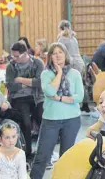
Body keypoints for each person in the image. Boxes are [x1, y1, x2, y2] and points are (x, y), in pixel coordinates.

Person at [30, 42, 84, 179]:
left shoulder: (75, 73)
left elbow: (79, 97)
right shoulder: (46, 74)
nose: (58, 55)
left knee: (66, 156)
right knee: (42, 155)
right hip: (51, 120)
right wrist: (59, 72)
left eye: (61, 52)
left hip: (72, 119)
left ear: (66, 55)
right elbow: (50, 91)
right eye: (54, 53)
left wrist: (59, 98)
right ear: (50, 57)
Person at [6, 42, 44, 157]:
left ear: (26, 53)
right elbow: (10, 86)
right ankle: (27, 153)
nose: (14, 58)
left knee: (43, 120)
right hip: (19, 98)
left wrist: (20, 79)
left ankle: (44, 151)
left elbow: (40, 82)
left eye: (17, 56)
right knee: (25, 123)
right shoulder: (11, 66)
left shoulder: (37, 63)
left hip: (37, 97)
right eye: (13, 56)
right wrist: (30, 82)